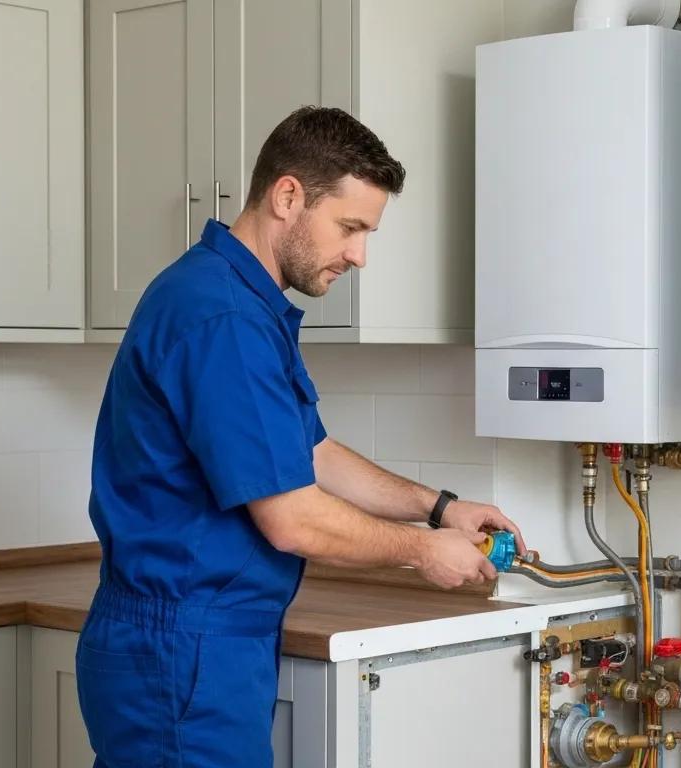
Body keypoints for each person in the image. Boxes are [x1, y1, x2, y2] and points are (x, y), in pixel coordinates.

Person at [76, 106, 523, 768]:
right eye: (350, 227)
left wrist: (440, 507)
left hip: (205, 644)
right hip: (182, 646)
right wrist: (423, 551)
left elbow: (313, 455)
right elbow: (291, 519)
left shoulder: (241, 304)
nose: (359, 255)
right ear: (288, 196)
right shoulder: (221, 317)